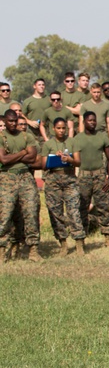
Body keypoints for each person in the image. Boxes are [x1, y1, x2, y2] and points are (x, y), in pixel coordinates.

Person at [37, 117, 86, 255]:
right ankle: (63, 242)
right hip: (53, 179)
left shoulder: (72, 142)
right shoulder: (48, 144)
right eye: (58, 128)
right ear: (53, 129)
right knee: (55, 211)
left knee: (74, 211)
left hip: (70, 178)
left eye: (63, 128)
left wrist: (68, 159)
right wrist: (55, 158)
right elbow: (43, 165)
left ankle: (79, 242)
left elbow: (78, 162)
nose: (61, 130)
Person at [0, 109, 41, 262]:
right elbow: (3, 160)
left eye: (14, 120)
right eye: (9, 121)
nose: (12, 123)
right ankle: (2, 251)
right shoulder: (1, 137)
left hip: (25, 177)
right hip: (6, 177)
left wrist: (14, 157)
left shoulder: (26, 136)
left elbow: (32, 157)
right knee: (5, 215)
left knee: (31, 211)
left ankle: (33, 250)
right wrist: (23, 152)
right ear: (4, 120)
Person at [76, 111, 109, 247]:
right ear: (84, 122)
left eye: (94, 120)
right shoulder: (78, 138)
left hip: (99, 176)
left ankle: (108, 238)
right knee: (82, 207)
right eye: (90, 120)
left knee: (103, 206)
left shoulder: (102, 137)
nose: (92, 122)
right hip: (83, 176)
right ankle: (81, 239)